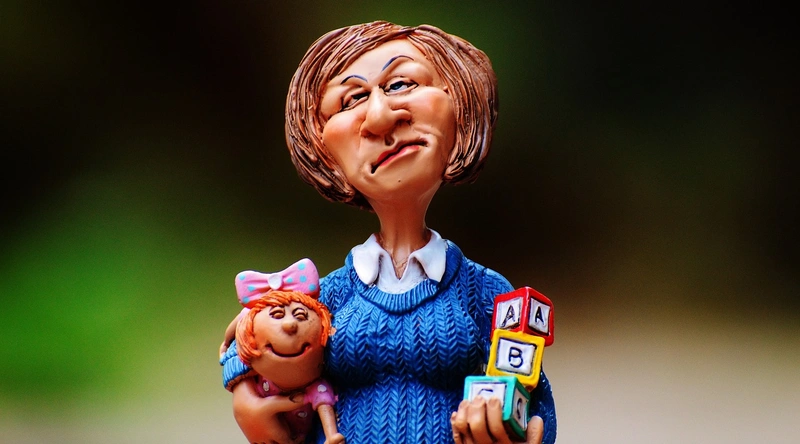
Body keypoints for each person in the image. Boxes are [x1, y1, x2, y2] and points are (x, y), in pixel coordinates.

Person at [224, 21, 556, 444]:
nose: (380, 117)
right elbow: (258, 338)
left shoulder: (482, 292)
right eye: (352, 100)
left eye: (401, 84)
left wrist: (515, 430)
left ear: (459, 103)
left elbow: (531, 394)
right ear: (321, 147)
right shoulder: (329, 297)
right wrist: (241, 389)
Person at [220, 259, 344, 444]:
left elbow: (323, 403)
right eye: (277, 315)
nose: (289, 324)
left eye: (300, 315)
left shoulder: (316, 388)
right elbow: (241, 320)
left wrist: (332, 436)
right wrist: (227, 342)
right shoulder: (252, 320)